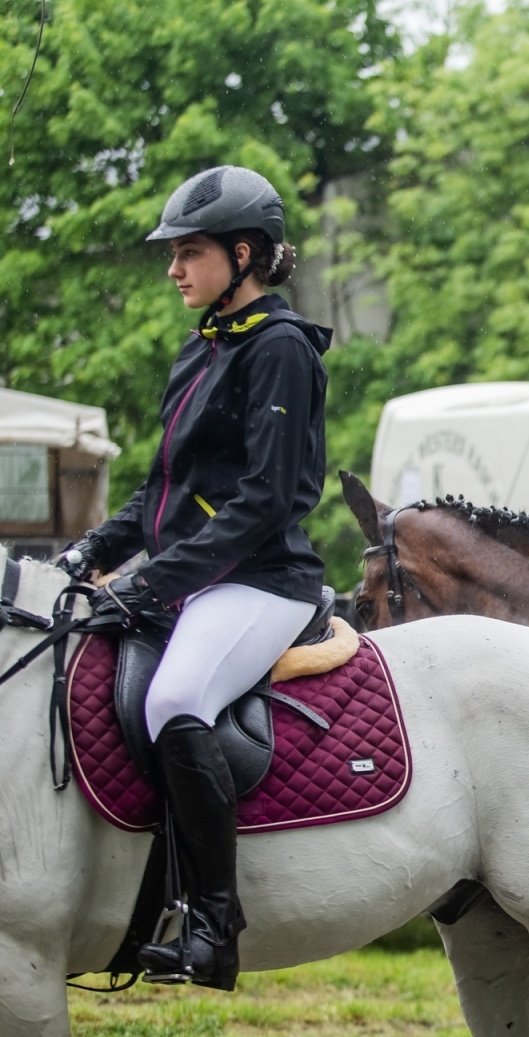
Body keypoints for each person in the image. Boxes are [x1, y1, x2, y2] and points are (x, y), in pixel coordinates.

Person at [56, 165, 332, 988]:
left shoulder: (280, 349)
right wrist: (85, 555)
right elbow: (160, 491)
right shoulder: (203, 345)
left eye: (190, 252)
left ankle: (215, 926)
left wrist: (144, 588)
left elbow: (261, 502)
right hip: (198, 579)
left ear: (242, 254)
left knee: (176, 700)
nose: (173, 268)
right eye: (171, 253)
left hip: (261, 582)